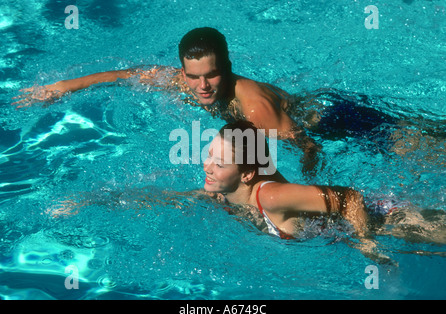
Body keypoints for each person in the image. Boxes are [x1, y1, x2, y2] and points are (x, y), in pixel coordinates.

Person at [12, 27, 320, 174]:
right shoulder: (181, 82)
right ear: (183, 70)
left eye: (211, 75)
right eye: (193, 76)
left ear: (226, 68)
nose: (202, 87)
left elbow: (309, 147)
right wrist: (61, 87)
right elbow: (125, 75)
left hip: (334, 123)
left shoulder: (255, 108)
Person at [202, 120, 370, 240]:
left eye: (219, 164)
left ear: (246, 175)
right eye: (209, 155)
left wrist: (366, 242)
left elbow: (350, 198)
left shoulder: (271, 197)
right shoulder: (222, 192)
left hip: (381, 223)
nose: (206, 167)